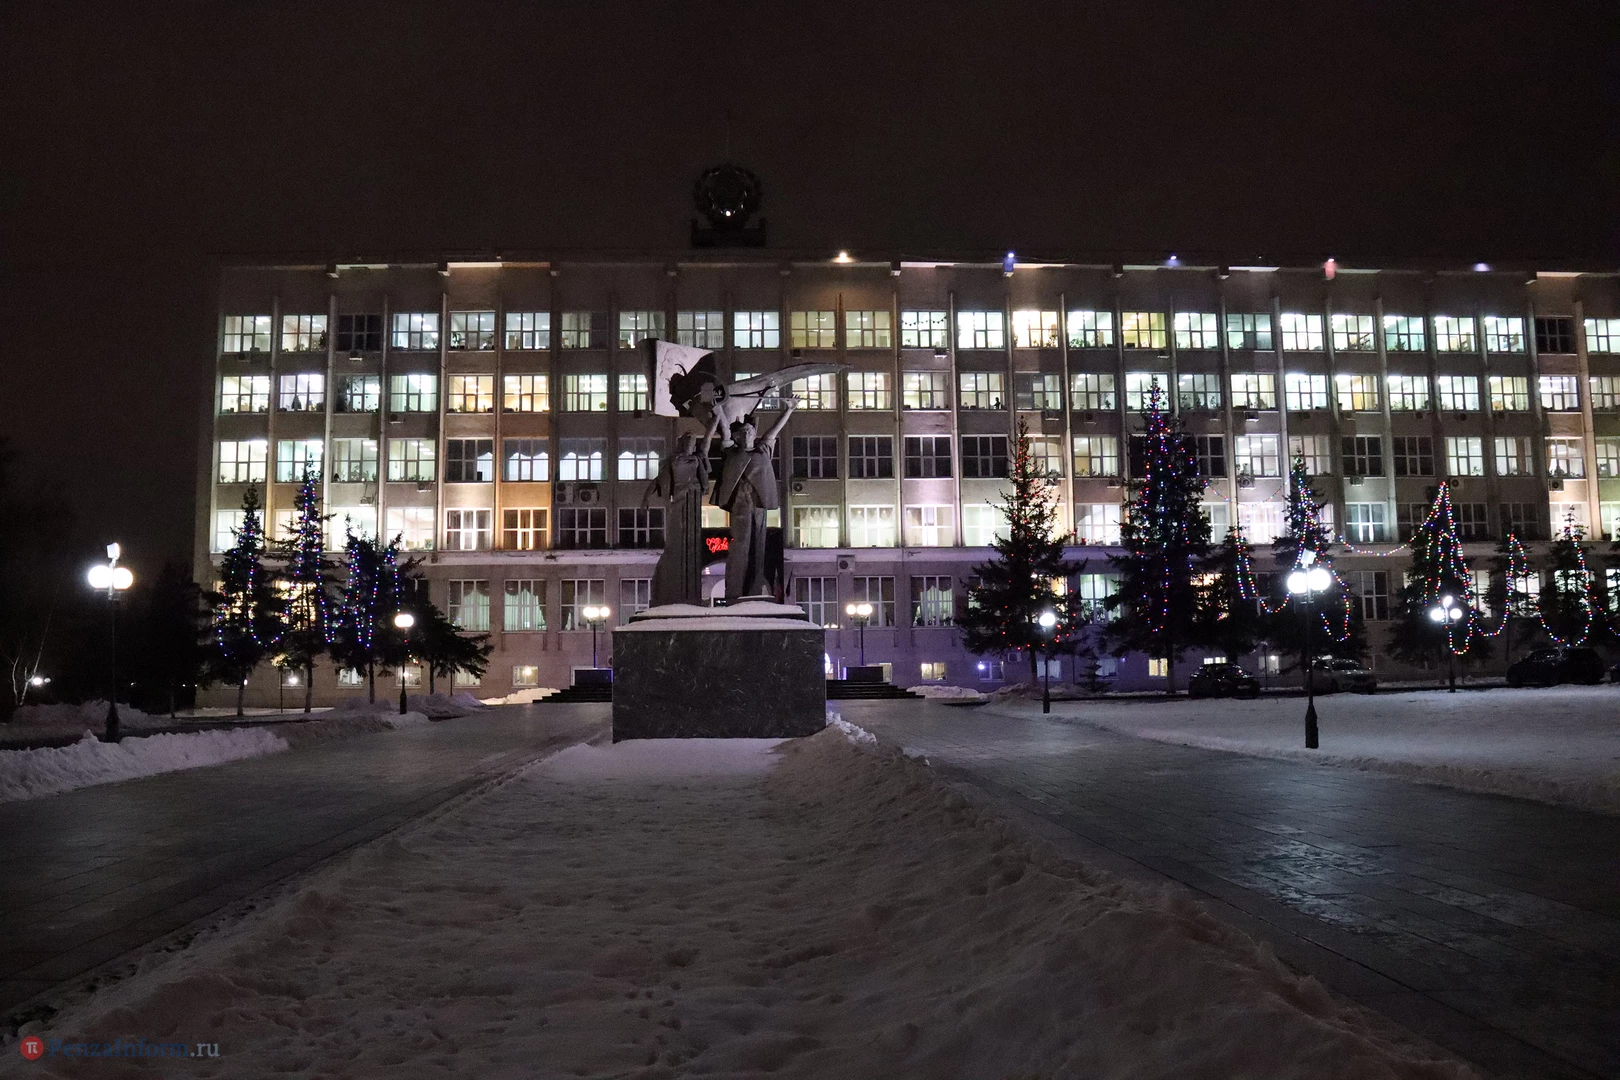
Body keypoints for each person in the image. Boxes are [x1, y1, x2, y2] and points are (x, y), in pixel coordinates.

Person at [711, 397, 796, 601]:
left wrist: (789, 410)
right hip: (740, 502)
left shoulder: (763, 450)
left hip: (759, 503)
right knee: (740, 544)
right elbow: (725, 430)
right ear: (737, 437)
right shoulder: (731, 452)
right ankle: (734, 590)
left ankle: (753, 590)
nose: (748, 434)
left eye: (751, 431)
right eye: (744, 432)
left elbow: (774, 431)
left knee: (758, 546)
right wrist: (719, 409)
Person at [643, 423, 717, 607]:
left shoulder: (698, 458)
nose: (689, 445)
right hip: (678, 497)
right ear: (682, 443)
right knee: (676, 535)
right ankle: (675, 582)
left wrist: (715, 420)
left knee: (691, 538)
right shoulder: (673, 459)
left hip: (693, 497)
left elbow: (707, 441)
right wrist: (646, 497)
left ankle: (689, 589)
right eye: (687, 441)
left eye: (692, 442)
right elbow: (660, 479)